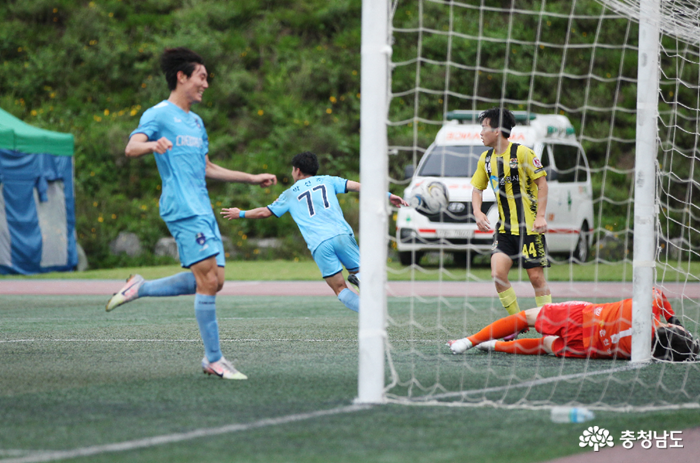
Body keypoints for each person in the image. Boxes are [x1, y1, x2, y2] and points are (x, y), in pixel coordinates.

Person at [105, 47, 277, 380]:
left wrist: (251, 178)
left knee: (216, 281)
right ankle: (214, 359)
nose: (206, 84)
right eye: (201, 77)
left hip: (202, 208)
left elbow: (207, 166)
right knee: (208, 280)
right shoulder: (158, 114)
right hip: (182, 208)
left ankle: (140, 287)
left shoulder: (196, 123)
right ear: (181, 77)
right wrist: (152, 145)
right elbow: (131, 147)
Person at [221, 151, 408, 312]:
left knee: (339, 287)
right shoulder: (328, 180)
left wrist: (241, 213)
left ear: (297, 170)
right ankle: (364, 285)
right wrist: (389, 196)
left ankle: (368, 312)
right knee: (360, 273)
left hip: (320, 244)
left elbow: (264, 212)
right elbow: (360, 187)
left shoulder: (290, 193)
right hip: (342, 235)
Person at [447, 288, 699, 361]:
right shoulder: (643, 353)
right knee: (544, 346)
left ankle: (469, 341)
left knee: (527, 317)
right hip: (591, 350)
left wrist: (673, 319)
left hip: (582, 317)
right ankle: (492, 345)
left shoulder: (647, 310)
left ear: (671, 329)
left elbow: (655, 291)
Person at [471, 107, 551, 339]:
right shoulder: (485, 159)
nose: (481, 132)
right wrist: (477, 211)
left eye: (484, 127)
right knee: (498, 274)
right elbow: (477, 189)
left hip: (529, 229)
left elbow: (542, 184)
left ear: (497, 130)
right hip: (504, 230)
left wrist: (540, 216)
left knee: (536, 277)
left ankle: (548, 327)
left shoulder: (523, 153)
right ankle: (516, 323)